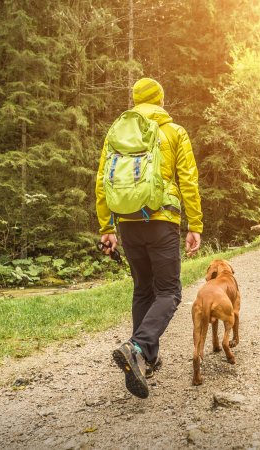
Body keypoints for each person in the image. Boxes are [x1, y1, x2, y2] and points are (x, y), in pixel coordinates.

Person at [95, 77, 203, 398]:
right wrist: (194, 224)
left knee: (143, 288)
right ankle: (138, 347)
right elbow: (188, 180)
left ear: (134, 100)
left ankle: (146, 359)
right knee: (169, 292)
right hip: (161, 218)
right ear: (161, 100)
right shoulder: (174, 132)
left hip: (127, 221)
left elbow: (103, 180)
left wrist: (106, 227)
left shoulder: (118, 132)